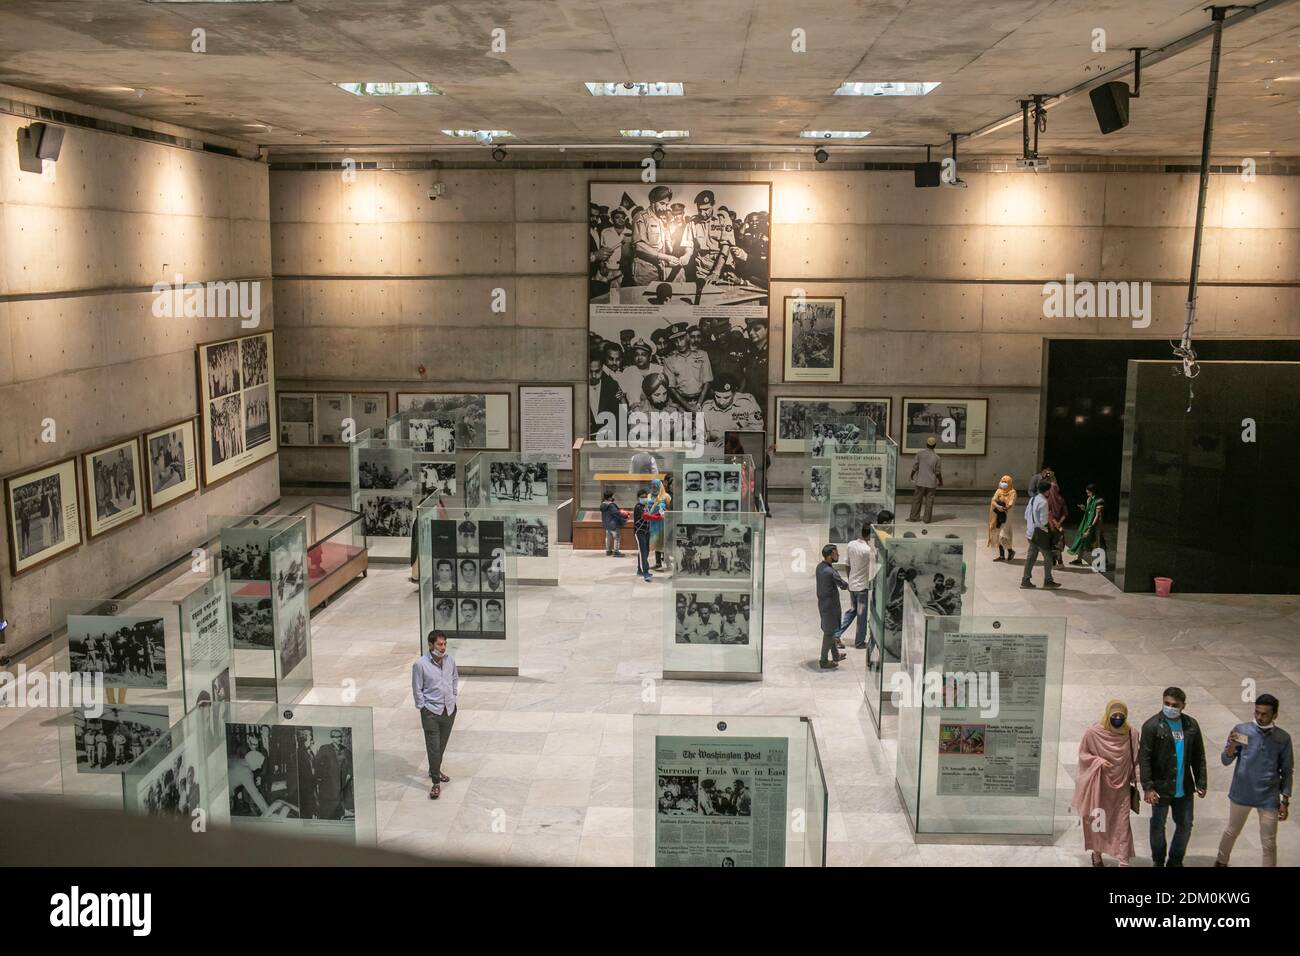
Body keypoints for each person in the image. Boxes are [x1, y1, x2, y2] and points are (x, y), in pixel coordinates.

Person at [1215, 694, 1293, 867]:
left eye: (1264, 714)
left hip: (1268, 796)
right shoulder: (1242, 730)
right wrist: (1232, 746)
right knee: (1232, 830)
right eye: (1257, 712)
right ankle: (1221, 862)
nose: (1259, 717)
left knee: (1269, 842)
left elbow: (1287, 770)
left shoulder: (1282, 738)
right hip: (1241, 793)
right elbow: (1226, 760)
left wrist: (1285, 799)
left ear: (1275, 715)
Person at [1138, 687, 1207, 867]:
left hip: (1184, 788)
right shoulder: (1152, 726)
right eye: (1166, 704)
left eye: (1175, 705)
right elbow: (1144, 758)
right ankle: (1158, 860)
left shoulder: (1191, 725)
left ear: (1183, 705)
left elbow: (1198, 756)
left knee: (1185, 825)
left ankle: (1175, 860)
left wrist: (1201, 781)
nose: (1170, 707)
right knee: (1157, 825)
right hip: (1160, 788)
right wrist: (1148, 787)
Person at [1071, 700, 1141, 866]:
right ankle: (1097, 854)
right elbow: (1083, 755)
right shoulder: (1094, 733)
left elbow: (1136, 759)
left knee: (1122, 825)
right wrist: (1098, 762)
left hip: (1121, 789)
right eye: (1114, 715)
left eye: (1121, 716)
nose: (1117, 718)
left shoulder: (1131, 734)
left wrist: (1140, 779)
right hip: (1099, 788)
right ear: (1108, 714)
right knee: (1099, 823)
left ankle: (1123, 861)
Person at [412, 632, 458, 800]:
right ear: (430, 645)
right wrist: (423, 708)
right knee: (433, 746)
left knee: (441, 745)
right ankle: (436, 782)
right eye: (439, 644)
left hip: (449, 710)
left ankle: (435, 769)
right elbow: (417, 689)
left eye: (444, 644)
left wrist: (453, 695)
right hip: (431, 711)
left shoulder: (450, 661)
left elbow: (454, 679)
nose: (443, 647)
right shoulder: (420, 665)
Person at [836, 521, 873, 649]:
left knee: (852, 611)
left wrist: (850, 578)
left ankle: (836, 634)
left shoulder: (851, 544)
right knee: (861, 616)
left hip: (852, 584)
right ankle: (859, 642)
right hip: (862, 587)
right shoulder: (868, 551)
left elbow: (847, 564)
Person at [1020, 479, 1060, 589]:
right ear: (1047, 491)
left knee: (1031, 557)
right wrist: (1049, 529)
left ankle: (1025, 580)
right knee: (1048, 556)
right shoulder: (1044, 502)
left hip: (1030, 533)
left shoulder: (1033, 499)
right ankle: (1048, 581)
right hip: (1040, 535)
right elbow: (1043, 522)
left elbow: (1025, 515)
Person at [816, 544, 848, 670]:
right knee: (829, 633)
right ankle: (823, 661)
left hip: (823, 604)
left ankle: (835, 655)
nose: (838, 555)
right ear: (830, 556)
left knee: (831, 630)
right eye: (836, 553)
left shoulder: (820, 567)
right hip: (831, 607)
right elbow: (843, 584)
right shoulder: (831, 572)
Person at [1068, 484, 1107, 565]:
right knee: (1081, 539)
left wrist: (1090, 527)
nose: (1087, 492)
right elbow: (1090, 511)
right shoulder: (1089, 499)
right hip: (1087, 522)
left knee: (1098, 542)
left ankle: (1101, 562)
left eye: (1088, 491)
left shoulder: (1099, 501)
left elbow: (1097, 515)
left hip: (1096, 525)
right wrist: (1084, 508)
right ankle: (1079, 559)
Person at [908, 436, 941, 523]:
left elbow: (915, 467)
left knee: (916, 500)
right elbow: (938, 472)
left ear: (926, 444)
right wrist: (941, 481)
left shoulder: (920, 454)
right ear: (935, 445)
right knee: (929, 501)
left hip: (920, 482)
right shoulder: (937, 457)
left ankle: (914, 517)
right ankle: (927, 519)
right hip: (931, 483)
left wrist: (911, 476)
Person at [988, 474, 1017, 562]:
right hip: (998, 515)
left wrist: (1005, 508)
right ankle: (1001, 555)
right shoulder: (999, 491)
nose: (1003, 483)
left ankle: (1010, 551)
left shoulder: (1013, 492)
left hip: (1007, 516)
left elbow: (1011, 503)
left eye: (1005, 482)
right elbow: (993, 500)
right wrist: (998, 506)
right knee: (997, 534)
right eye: (1002, 481)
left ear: (1009, 483)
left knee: (1003, 536)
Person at [632, 488, 657, 582]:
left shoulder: (647, 506)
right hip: (639, 532)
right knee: (643, 551)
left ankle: (640, 569)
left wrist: (659, 515)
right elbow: (646, 516)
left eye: (646, 496)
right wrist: (657, 517)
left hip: (647, 532)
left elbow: (651, 514)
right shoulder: (638, 507)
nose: (644, 498)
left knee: (645, 551)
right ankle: (645, 573)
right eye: (642, 497)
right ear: (638, 498)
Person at [648, 477, 671, 570]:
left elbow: (669, 509)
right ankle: (658, 563)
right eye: (652, 486)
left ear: (660, 486)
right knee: (656, 542)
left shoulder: (666, 496)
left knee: (665, 543)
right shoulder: (649, 496)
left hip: (663, 523)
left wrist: (664, 511)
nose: (654, 488)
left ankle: (668, 564)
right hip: (653, 523)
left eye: (656, 486)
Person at [600, 489, 626, 557]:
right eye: (612, 496)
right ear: (609, 497)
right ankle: (616, 552)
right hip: (613, 524)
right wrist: (624, 515)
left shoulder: (603, 504)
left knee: (608, 537)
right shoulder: (611, 505)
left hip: (607, 524)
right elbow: (616, 513)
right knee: (616, 538)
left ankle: (608, 550)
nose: (613, 497)